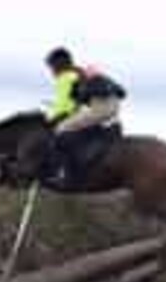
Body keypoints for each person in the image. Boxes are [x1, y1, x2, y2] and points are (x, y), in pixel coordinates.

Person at [43, 47, 127, 185]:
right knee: (76, 123)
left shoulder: (65, 77)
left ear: (58, 65)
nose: (51, 72)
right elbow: (75, 105)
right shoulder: (79, 73)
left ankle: (62, 173)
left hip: (101, 107)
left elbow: (64, 107)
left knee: (59, 129)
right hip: (112, 106)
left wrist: (50, 121)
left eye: (51, 67)